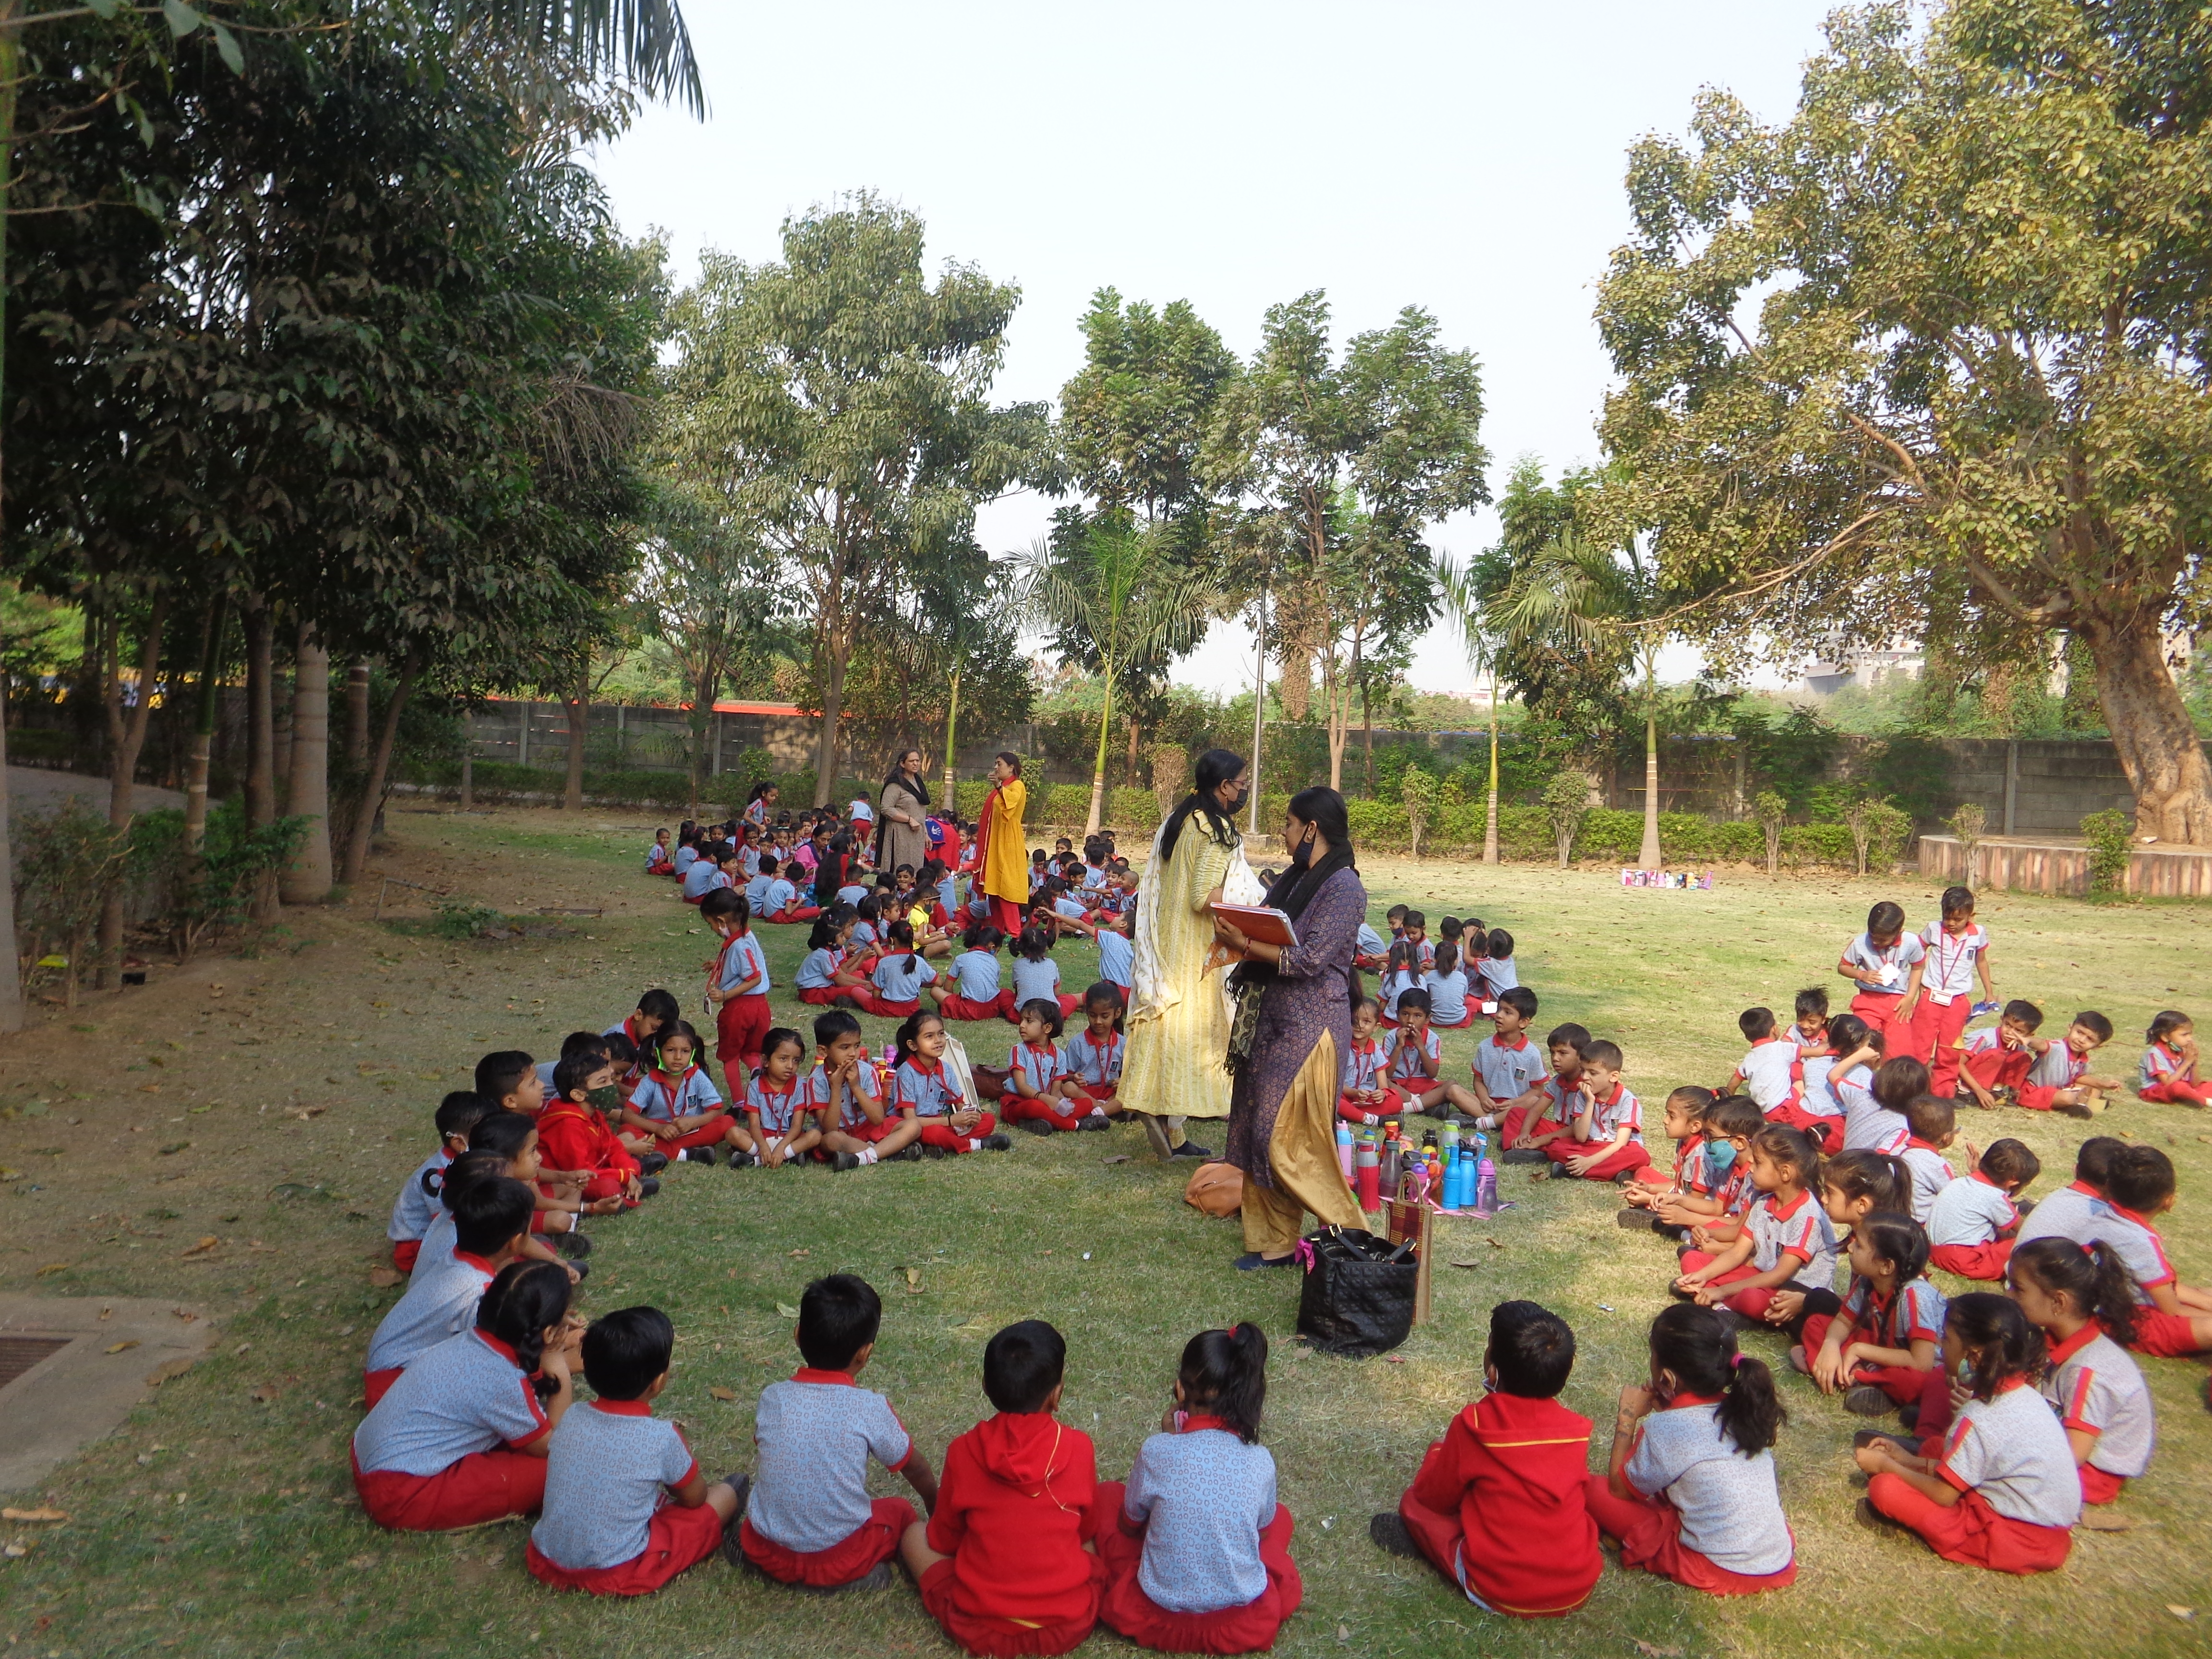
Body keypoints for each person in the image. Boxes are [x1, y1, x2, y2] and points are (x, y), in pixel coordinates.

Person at [1216, 787, 1367, 1269]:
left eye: (1287, 822)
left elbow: (1309, 959)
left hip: (1312, 1024)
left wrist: (1244, 943)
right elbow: (1273, 933)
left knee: (1282, 1135)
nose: (1282, 832)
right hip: (1273, 1017)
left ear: (1312, 829)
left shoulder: (1344, 887)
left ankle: (1354, 1236)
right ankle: (1276, 1243)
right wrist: (1239, 935)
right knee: (1256, 1130)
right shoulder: (1298, 879)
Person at [1372, 1300, 1599, 1617]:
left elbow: (1433, 1499)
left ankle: (1441, 1553)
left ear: (1493, 1367)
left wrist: (1437, 1454)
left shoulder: (1475, 1426)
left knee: (1414, 1506)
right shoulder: (1577, 1429)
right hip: (1577, 1586)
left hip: (1501, 1591)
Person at [902, 1321, 1102, 1659]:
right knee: (1098, 1527)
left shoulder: (963, 1450)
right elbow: (1087, 1529)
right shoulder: (1079, 1447)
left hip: (978, 1627)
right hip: (1065, 1626)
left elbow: (943, 1541)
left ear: (986, 1386)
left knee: (913, 1535)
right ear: (1057, 1393)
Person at [1096, 1325, 1301, 1654]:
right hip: (1238, 1626)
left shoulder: (1156, 1451)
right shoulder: (1260, 1460)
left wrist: (1170, 1442)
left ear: (1180, 1389)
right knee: (1279, 1522)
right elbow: (1260, 1536)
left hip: (1157, 1619)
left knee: (1108, 1496)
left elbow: (1128, 1525)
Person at [527, 1306, 744, 1595]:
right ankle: (732, 1498)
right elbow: (694, 1499)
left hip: (546, 1559)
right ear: (658, 1381)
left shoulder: (572, 1416)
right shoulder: (662, 1437)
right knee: (723, 1497)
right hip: (617, 1571)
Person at [1855, 1294, 2078, 1573]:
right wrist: (1908, 1460)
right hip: (2047, 1526)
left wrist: (1886, 1465)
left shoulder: (1981, 1416)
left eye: (1947, 1339)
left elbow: (1943, 1495)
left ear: (1973, 1356)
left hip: (2018, 1539)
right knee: (1936, 1448)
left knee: (1885, 1489)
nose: (1940, 1344)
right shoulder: (2025, 1394)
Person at [741, 1275, 938, 1590]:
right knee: (899, 1511)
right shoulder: (870, 1407)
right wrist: (933, 1502)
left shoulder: (772, 1397)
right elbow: (913, 1466)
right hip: (837, 1560)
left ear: (797, 1335)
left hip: (766, 1550)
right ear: (865, 1353)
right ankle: (859, 1575)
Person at [1586, 1304, 1797, 1595]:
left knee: (1590, 1489)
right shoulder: (1742, 1405)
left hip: (1717, 1566)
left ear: (1668, 1379)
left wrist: (1628, 1417)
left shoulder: (1667, 1427)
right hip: (1772, 1557)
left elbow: (1619, 1489)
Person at [351, 1260, 575, 1530]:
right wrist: (557, 1363)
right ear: (550, 1333)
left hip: (373, 1458)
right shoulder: (503, 1378)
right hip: (402, 1493)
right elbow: (551, 1448)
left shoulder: (474, 1341)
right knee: (566, 1467)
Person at [1122, 749, 1253, 1163]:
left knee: (1168, 1029)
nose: (1245, 788)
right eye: (1242, 781)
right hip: (1198, 948)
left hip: (1169, 943)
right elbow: (1204, 898)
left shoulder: (1182, 820)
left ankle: (1169, 1125)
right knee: (1196, 1037)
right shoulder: (1216, 830)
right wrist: (1254, 906)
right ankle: (1171, 1120)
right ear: (1224, 786)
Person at [362, 1175, 535, 1406]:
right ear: (515, 1242)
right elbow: (493, 1361)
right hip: (395, 1386)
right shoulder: (480, 1294)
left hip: (387, 1366)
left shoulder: (456, 1258)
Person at [2007, 1239, 2155, 1504]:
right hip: (2057, 1447)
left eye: (2018, 1289)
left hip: (2089, 1476)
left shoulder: (2087, 1371)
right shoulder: (2055, 1338)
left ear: (2058, 1302)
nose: (2009, 1296)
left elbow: (2072, 1454)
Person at [1673, 1124, 1835, 1318]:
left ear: (1785, 1173)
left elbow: (1780, 1275)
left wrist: (1722, 1290)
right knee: (1693, 1259)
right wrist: (1702, 1276)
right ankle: (1714, 1298)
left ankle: (1718, 1300)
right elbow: (1737, 1253)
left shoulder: (1808, 1216)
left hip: (1790, 1291)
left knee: (1753, 1300)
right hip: (1759, 1275)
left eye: (1758, 1162)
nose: (1750, 1163)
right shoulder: (1764, 1202)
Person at [1800, 1212, 1948, 1423]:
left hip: (1916, 1366)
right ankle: (1853, 1376)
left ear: (1887, 1266)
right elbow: (1843, 1321)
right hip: (1880, 1353)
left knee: (1914, 1382)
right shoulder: (1866, 1280)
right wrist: (1831, 1345)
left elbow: (1922, 1363)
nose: (1850, 1248)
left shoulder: (1915, 1296)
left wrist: (1859, 1350)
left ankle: (1853, 1376)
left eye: (1859, 1246)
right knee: (1816, 1324)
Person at [1908, 886, 1996, 1093]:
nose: (1952, 923)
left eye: (1958, 919)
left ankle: (1943, 1093)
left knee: (1949, 1050)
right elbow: (1918, 955)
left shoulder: (1978, 934)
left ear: (1970, 916)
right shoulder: (1933, 929)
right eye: (1947, 918)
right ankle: (1913, 1088)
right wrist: (1919, 984)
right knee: (1919, 1046)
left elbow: (1982, 961)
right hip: (1930, 996)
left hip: (1957, 1001)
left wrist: (1989, 991)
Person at [387, 1092, 488, 1272]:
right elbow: (444, 1224)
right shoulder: (438, 1174)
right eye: (487, 1138)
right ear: (459, 1142)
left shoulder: (467, 1162)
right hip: (415, 1247)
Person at [892, 1010, 1010, 1154]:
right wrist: (950, 1121)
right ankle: (974, 1145)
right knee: (934, 1133)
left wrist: (969, 1116)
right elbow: (910, 1120)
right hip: (914, 1128)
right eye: (929, 1036)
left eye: (941, 1034)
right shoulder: (906, 1072)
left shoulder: (946, 1069)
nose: (938, 1040)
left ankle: (939, 1146)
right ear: (913, 1045)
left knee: (988, 1119)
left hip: (941, 1123)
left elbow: (959, 1103)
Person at [1926, 1138, 2039, 1280]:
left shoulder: (1959, 1182)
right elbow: (2024, 1231)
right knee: (2023, 1245)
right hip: (1962, 1260)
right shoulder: (1996, 1197)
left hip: (1933, 1251)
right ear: (2013, 1182)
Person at [701, 890, 770, 1082]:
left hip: (740, 1008)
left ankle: (739, 1102)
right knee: (751, 1052)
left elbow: (755, 977)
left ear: (722, 921)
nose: (713, 929)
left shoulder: (740, 946)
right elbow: (746, 966)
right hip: (760, 1007)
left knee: (730, 1057)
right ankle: (757, 1075)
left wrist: (725, 995)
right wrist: (718, 966)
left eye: (711, 924)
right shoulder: (747, 935)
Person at [1836, 900, 1924, 1046]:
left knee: (1898, 1048)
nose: (1876, 942)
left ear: (1899, 933)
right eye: (1873, 937)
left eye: (1883, 940)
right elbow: (1843, 967)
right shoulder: (1859, 943)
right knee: (1861, 1042)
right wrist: (1861, 975)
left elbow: (1918, 967)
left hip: (1899, 1002)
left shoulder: (1912, 942)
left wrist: (1910, 998)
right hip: (1869, 1000)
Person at [742, 1029, 824, 1168]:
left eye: (796, 1061)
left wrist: (781, 1148)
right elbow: (754, 1125)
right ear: (766, 1061)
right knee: (733, 1133)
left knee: (815, 1136)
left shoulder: (801, 1086)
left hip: (790, 1138)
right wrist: (763, 1146)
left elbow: (797, 1126)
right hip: (762, 1137)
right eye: (783, 1059)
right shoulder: (755, 1086)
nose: (790, 1066)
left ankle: (766, 1159)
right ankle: (783, 1156)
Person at [971, 752, 1031, 938]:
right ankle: (997, 931)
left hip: (1008, 843)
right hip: (995, 844)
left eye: (1000, 764)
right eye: (995, 763)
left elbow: (1010, 804)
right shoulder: (1002, 787)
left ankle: (1015, 933)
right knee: (994, 889)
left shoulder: (1017, 786)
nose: (996, 767)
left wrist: (998, 787)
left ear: (1012, 767)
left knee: (1007, 889)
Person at [1719, 1008, 1795, 1111]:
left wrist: (1726, 1104)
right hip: (1783, 1108)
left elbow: (1734, 1083)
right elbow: (1817, 1051)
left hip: (1762, 1111)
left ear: (1747, 1038)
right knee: (1800, 1080)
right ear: (1775, 1029)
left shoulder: (1750, 1058)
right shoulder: (1783, 1048)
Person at [1898, 1093, 1958, 1223]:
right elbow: (1957, 1199)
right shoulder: (1938, 1166)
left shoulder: (1900, 1152)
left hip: (1899, 1221)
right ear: (1947, 1137)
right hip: (1924, 1228)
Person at [875, 748, 933, 875]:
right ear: (902, 764)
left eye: (917, 761)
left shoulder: (918, 782)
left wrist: (925, 834)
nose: (915, 764)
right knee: (899, 869)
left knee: (915, 869)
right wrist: (909, 819)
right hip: (900, 834)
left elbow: (920, 811)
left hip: (917, 835)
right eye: (912, 761)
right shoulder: (895, 784)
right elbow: (886, 808)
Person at [2137, 1008, 2210, 1106]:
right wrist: (2187, 1062)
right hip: (2157, 1091)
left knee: (2207, 1085)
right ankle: (2205, 1101)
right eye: (2184, 1035)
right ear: (2165, 1037)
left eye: (2190, 1034)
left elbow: (2195, 1084)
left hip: (2182, 1085)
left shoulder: (2180, 1051)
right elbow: (2167, 1083)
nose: (2190, 1039)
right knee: (2178, 1087)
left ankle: (2192, 1095)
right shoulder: (2154, 1054)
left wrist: (2194, 1062)